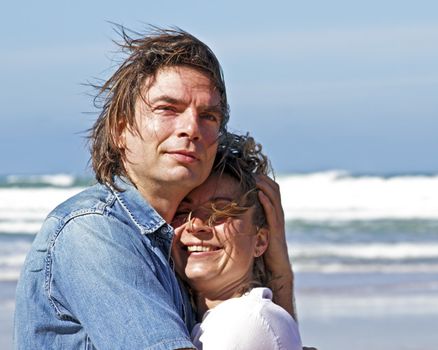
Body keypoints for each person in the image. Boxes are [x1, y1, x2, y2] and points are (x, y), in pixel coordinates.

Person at [14, 26, 294, 349]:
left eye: (208, 116)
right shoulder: (93, 232)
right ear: (121, 130)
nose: (191, 128)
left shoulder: (176, 252)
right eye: (167, 109)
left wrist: (279, 277)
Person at [171, 132, 302, 350]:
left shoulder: (246, 322)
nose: (196, 224)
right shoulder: (237, 318)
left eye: (220, 210)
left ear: (260, 241)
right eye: (183, 211)